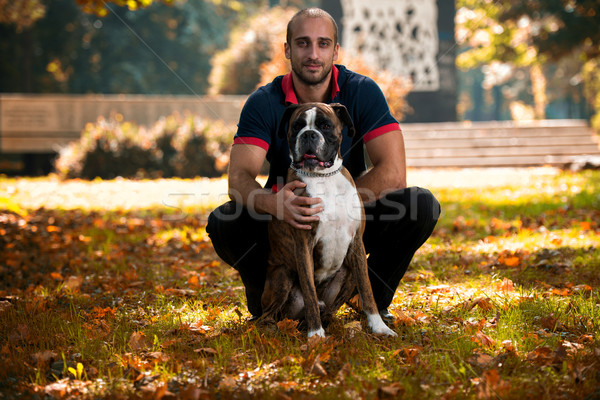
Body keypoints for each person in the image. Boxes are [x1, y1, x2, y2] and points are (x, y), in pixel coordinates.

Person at [207, 7, 440, 321]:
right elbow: (238, 179)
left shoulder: (362, 91)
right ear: (287, 49)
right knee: (225, 221)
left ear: (336, 50)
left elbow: (393, 173)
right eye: (303, 43)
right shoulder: (264, 101)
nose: (313, 53)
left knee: (420, 205)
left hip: (352, 211)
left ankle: (368, 298)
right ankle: (269, 299)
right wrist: (275, 204)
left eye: (323, 43)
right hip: (287, 218)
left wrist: (337, 203)